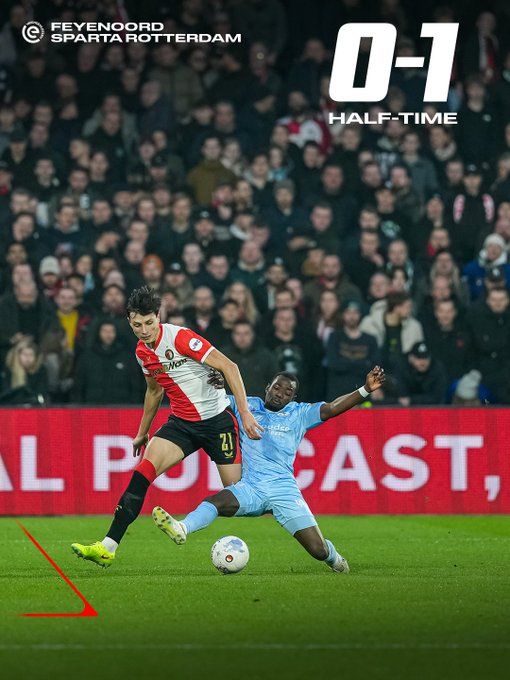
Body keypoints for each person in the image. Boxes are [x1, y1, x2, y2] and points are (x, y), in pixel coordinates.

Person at [71, 286, 262, 567]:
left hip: (217, 422)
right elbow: (154, 391)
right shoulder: (142, 352)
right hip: (181, 424)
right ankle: (107, 547)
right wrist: (142, 432)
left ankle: (272, 502)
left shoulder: (181, 337)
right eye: (137, 325)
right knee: (141, 475)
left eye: (149, 322)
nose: (144, 330)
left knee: (239, 497)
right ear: (129, 322)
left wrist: (244, 412)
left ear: (158, 317)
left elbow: (230, 367)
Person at [152, 366, 385, 573]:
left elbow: (332, 407)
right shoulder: (247, 405)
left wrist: (365, 389)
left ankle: (334, 558)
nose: (280, 394)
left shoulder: (300, 413)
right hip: (251, 488)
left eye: (287, 392)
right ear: (268, 388)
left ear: (293, 398)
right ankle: (182, 528)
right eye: (277, 388)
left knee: (318, 550)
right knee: (216, 502)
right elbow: (215, 401)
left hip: (284, 491)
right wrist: (216, 383)